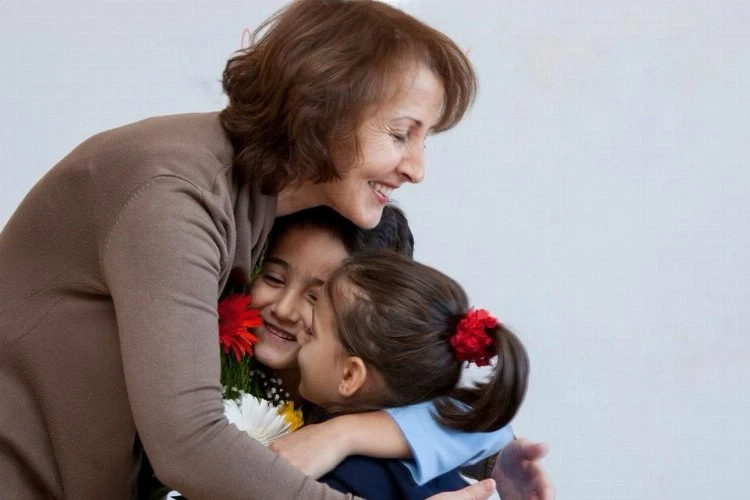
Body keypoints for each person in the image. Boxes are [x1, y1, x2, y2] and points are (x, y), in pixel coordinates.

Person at [0, 0, 513, 498]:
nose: (417, 169)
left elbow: (407, 367)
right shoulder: (176, 198)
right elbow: (191, 446)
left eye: (424, 140)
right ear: (325, 110)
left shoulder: (275, 210)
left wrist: (362, 437)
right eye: (401, 135)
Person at [248, 205, 554, 499]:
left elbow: (474, 425)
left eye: (316, 298)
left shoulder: (343, 464)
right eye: (273, 278)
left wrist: (342, 434)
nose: (285, 310)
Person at [293, 251, 528, 499]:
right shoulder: (441, 465)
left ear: (350, 375)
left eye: (311, 332)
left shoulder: (324, 473)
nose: (300, 337)